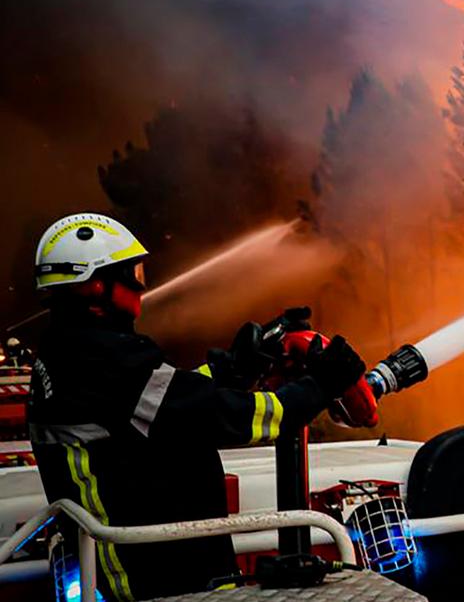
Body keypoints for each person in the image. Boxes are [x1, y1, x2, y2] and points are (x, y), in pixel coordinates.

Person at [26, 213, 365, 600]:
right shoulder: (106, 360)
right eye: (131, 274)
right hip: (154, 572)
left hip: (156, 555)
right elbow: (228, 419)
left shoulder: (71, 352)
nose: (140, 286)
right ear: (97, 287)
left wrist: (234, 368)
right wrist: (320, 387)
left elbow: (168, 401)